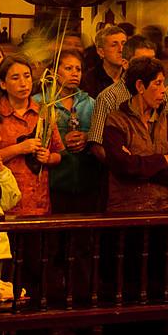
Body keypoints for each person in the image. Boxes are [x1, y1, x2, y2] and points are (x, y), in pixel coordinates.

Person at [96, 57, 168, 212]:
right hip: (125, 210)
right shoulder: (116, 121)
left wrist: (139, 168)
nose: (163, 90)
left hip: (165, 209)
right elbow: (121, 166)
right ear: (140, 86)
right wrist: (163, 159)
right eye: (158, 83)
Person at [0, 55, 61, 214]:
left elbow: (59, 153)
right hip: (4, 202)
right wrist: (18, 149)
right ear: (3, 84)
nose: (23, 83)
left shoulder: (44, 112)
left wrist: (48, 157)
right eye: (15, 78)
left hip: (39, 202)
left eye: (27, 76)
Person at [42, 47, 101, 213]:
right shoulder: (42, 103)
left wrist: (88, 137)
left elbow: (102, 135)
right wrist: (60, 140)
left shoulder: (90, 103)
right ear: (53, 72)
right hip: (53, 183)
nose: (75, 73)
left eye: (78, 69)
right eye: (68, 68)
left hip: (86, 182)